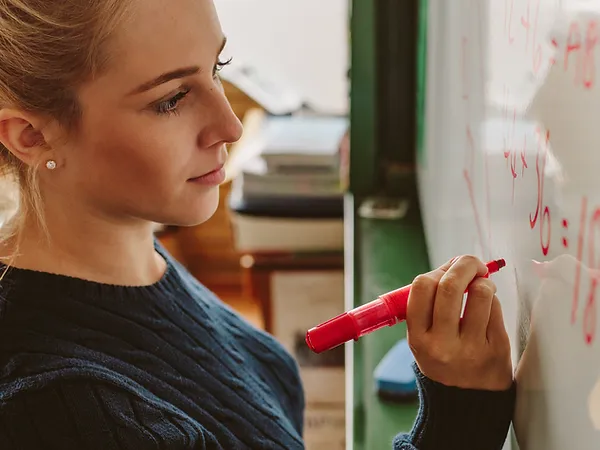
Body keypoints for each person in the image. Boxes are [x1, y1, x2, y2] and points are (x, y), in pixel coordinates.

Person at [0, 0, 516, 448]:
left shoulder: (134, 264)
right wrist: (459, 416)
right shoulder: (59, 410)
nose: (229, 125)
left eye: (217, 67)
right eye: (171, 99)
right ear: (29, 135)